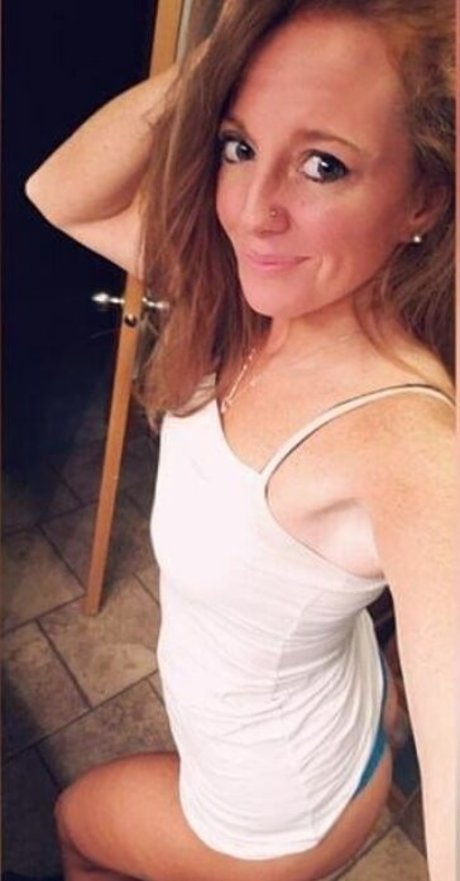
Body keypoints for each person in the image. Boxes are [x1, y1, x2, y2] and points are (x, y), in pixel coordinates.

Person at [24, 1, 455, 880]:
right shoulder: (245, 301)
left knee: (76, 821)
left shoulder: (408, 443)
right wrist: (230, 48)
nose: (254, 212)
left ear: (423, 198)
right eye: (239, 145)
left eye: (323, 164)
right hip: (340, 722)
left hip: (272, 818)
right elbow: (57, 193)